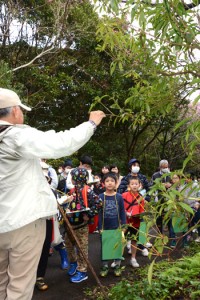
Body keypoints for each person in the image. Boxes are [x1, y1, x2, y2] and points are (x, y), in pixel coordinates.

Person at [0, 87, 105, 300]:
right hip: (22, 222)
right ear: (13, 112)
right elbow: (59, 144)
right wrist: (91, 124)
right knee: (19, 287)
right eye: (21, 109)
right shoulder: (14, 136)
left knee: (1, 283)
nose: (22, 113)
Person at [63, 167, 102, 283]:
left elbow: (99, 203)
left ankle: (82, 271)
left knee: (82, 248)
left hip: (82, 225)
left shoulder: (88, 190)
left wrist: (89, 215)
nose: (71, 179)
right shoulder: (72, 190)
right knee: (68, 245)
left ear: (76, 178)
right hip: (70, 224)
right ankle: (74, 264)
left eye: (72, 177)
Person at [118, 158, 150, 255]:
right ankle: (128, 246)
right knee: (128, 227)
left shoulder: (143, 177)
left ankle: (142, 246)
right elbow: (120, 191)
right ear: (130, 167)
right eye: (134, 165)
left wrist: (147, 199)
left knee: (142, 226)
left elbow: (149, 190)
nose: (136, 167)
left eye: (137, 165)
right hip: (128, 206)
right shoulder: (125, 178)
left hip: (141, 205)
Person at [98, 172, 126, 277]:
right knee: (105, 247)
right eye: (107, 181)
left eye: (112, 181)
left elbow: (122, 212)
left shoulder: (119, 197)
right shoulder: (100, 197)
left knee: (117, 247)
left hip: (116, 227)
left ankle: (117, 266)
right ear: (103, 183)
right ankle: (104, 266)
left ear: (116, 183)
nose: (110, 183)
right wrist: (100, 227)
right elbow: (99, 214)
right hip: (105, 227)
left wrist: (124, 226)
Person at [122, 176, 146, 267]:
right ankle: (117, 259)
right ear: (129, 185)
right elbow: (120, 208)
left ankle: (133, 258)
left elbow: (142, 210)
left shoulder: (141, 197)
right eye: (132, 184)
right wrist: (125, 213)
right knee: (121, 239)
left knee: (134, 240)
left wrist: (141, 215)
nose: (134, 186)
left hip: (136, 222)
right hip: (125, 222)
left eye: (136, 184)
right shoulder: (124, 195)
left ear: (139, 185)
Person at [150, 159, 171, 234]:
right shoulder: (155, 175)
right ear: (160, 167)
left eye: (166, 167)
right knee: (158, 218)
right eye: (163, 167)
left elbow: (176, 185)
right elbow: (151, 186)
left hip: (169, 200)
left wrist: (170, 185)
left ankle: (171, 235)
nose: (165, 168)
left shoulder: (171, 174)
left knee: (169, 218)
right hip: (158, 200)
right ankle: (160, 235)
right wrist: (159, 185)